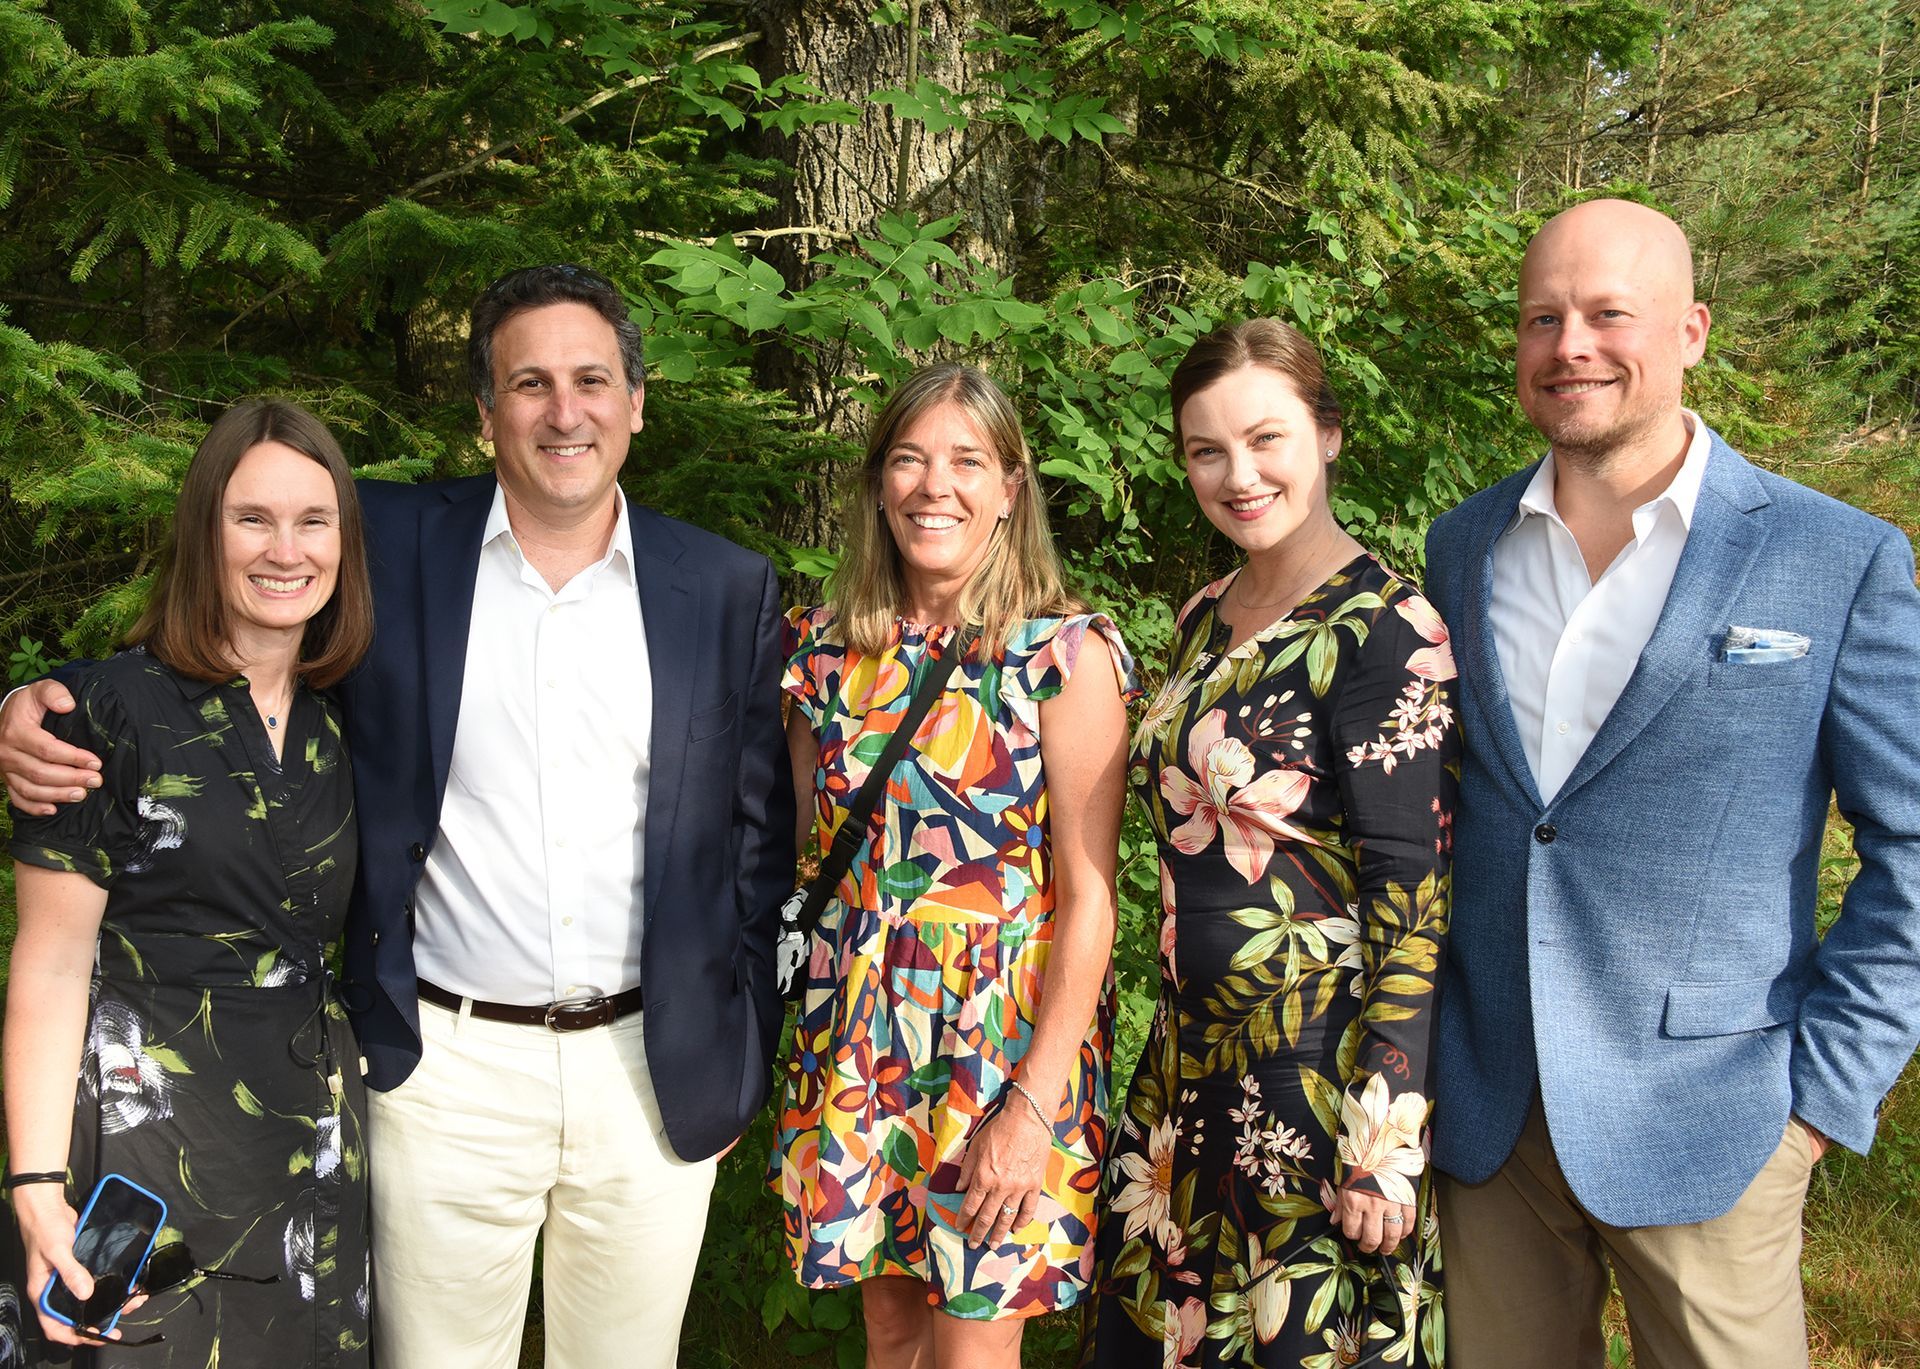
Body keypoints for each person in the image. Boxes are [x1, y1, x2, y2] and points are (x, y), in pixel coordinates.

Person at [0, 264, 797, 1369]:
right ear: (485, 414)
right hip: (445, 1073)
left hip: (650, 1080)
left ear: (635, 402)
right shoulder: (388, 545)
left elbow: (759, 851)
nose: (563, 411)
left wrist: (740, 1044)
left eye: (590, 380)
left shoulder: (724, 587)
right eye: (529, 383)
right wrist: (29, 707)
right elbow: (227, 633)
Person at [1423, 198, 1920, 1368]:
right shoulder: (1461, 546)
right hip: (1495, 1113)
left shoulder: (1833, 557)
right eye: (1543, 318)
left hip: (1715, 1119)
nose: (1571, 345)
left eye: (1609, 314)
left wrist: (1820, 1100)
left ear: (1692, 330)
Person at [1081, 319, 1457, 1368]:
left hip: (1315, 1086)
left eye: (1266, 439)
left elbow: (1410, 894)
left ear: (1328, 435)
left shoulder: (1387, 628)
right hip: (1186, 1069)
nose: (1238, 474)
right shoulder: (1207, 613)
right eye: (1207, 450)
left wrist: (1384, 1142)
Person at [774, 363, 1134, 1367]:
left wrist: (1034, 1103)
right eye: (909, 458)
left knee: (974, 1348)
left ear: (1011, 488)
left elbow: (1092, 899)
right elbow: (794, 867)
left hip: (999, 1051)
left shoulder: (1062, 655)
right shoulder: (824, 653)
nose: (936, 484)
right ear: (879, 483)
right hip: (855, 1034)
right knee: (891, 1334)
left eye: (966, 460)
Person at [0, 399, 375, 1363]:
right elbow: (49, 966)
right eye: (252, 517)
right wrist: (37, 1182)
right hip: (139, 1158)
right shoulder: (99, 713)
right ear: (204, 530)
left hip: (307, 1154)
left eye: (312, 520)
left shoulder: (346, 721)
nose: (284, 549)